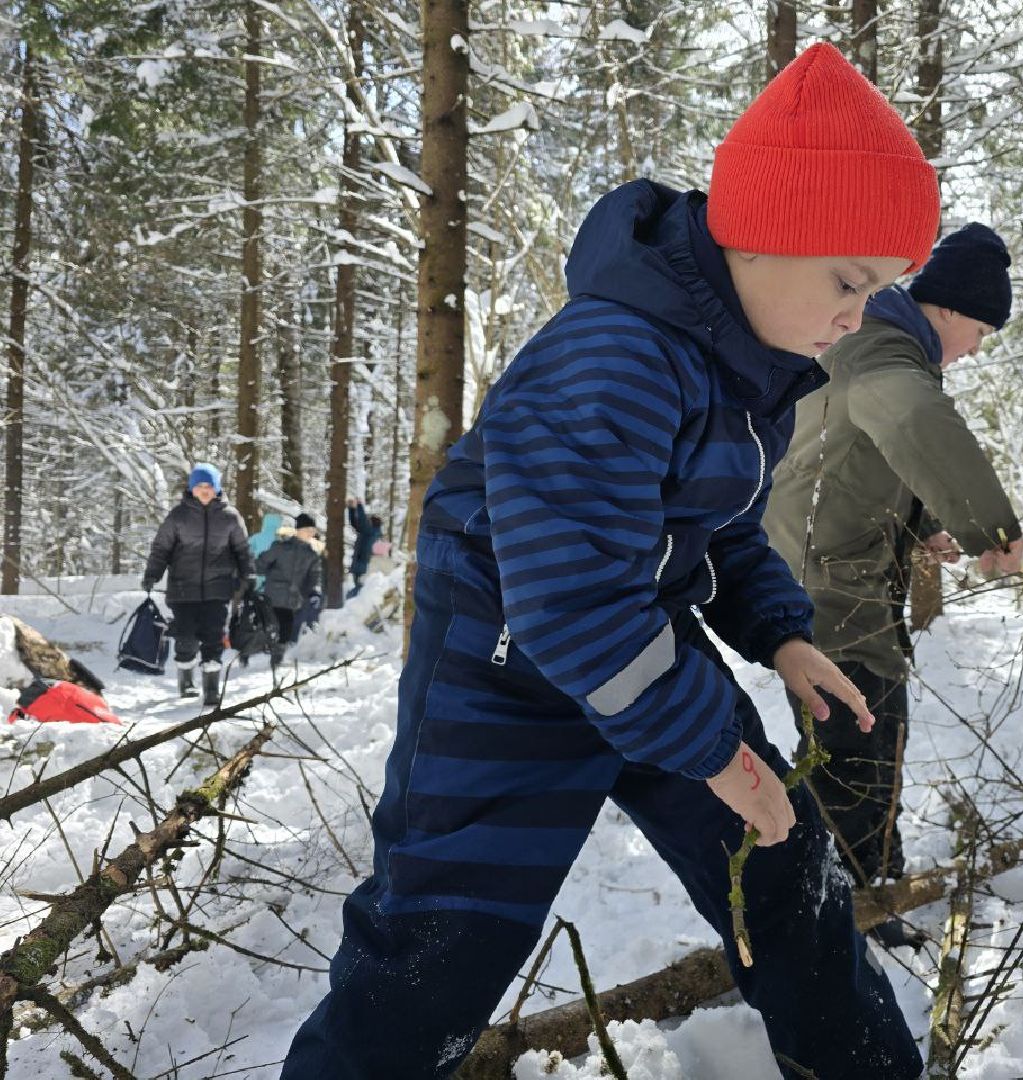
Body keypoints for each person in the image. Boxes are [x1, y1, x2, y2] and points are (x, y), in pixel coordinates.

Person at [283, 43, 939, 1080]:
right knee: (441, 948)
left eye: (882, 290)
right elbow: (574, 601)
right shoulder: (613, 358)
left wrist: (783, 635)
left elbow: (721, 528)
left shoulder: (742, 367)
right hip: (504, 673)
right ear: (766, 235)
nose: (859, 317)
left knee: (787, 865)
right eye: (851, 281)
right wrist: (718, 755)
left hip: (642, 652)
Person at [764, 224, 1023, 946]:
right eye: (980, 330)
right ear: (947, 310)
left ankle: (849, 903)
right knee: (858, 751)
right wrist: (988, 527)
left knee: (855, 746)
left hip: (827, 576)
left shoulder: (872, 345)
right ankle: (849, 919)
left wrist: (922, 527)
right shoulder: (882, 348)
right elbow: (909, 418)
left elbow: (850, 463)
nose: (976, 348)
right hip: (832, 591)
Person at [141, 463, 253, 706]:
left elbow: (242, 550)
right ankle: (187, 681)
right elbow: (161, 549)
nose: (204, 491)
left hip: (218, 589)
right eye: (200, 486)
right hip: (183, 589)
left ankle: (211, 688)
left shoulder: (230, 517)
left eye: (209, 486)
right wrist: (153, 574)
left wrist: (249, 576)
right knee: (186, 638)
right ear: (192, 488)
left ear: (216, 489)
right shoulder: (178, 517)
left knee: (214, 637)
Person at [255, 511, 323, 666]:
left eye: (312, 531)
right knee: (272, 625)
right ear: (298, 530)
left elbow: (315, 576)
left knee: (287, 628)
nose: (310, 533)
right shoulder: (281, 547)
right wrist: (257, 571)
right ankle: (264, 653)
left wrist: (314, 592)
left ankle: (276, 657)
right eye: (308, 530)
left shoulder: (311, 555)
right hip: (274, 595)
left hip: (294, 598)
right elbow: (261, 563)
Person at [345, 497, 382, 597]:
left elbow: (361, 521)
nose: (367, 521)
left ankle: (350, 606)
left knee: (359, 593)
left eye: (369, 521)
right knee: (360, 591)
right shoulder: (370, 533)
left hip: (363, 568)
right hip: (362, 567)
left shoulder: (370, 532)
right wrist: (351, 509)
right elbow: (356, 524)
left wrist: (359, 505)